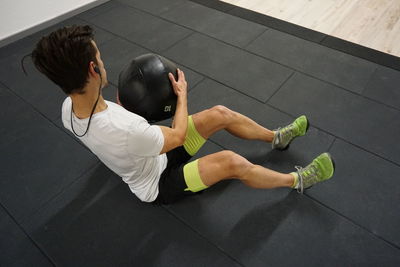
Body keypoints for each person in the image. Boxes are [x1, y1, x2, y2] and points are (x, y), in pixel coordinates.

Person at [28, 25, 335, 204]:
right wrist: (182, 95)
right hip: (158, 182)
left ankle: (277, 138)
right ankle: (297, 181)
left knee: (220, 113)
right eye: (99, 57)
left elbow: (112, 127)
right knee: (231, 162)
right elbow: (175, 136)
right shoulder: (127, 130)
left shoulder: (68, 110)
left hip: (144, 149)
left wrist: (121, 110)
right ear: (93, 70)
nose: (103, 61)